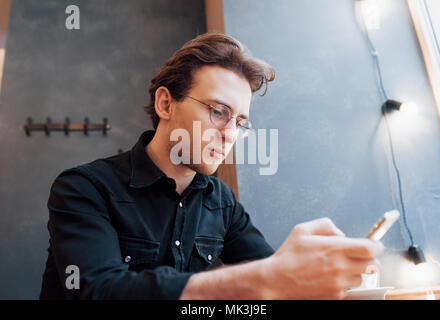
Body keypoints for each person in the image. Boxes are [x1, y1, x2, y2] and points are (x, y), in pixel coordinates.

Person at [39, 33, 383, 300]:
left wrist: (304, 275)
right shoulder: (83, 188)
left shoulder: (222, 202)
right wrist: (269, 277)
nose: (230, 134)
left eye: (241, 122)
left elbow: (270, 276)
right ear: (165, 103)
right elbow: (98, 293)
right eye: (218, 112)